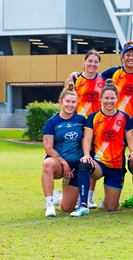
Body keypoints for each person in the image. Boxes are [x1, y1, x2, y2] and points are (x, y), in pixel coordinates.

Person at [78, 79, 133, 213]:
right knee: (84, 165)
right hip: (99, 163)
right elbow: (87, 140)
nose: (109, 101)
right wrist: (86, 155)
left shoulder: (125, 118)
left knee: (111, 207)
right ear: (100, 99)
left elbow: (130, 140)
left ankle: (108, 198)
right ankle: (83, 204)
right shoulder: (93, 117)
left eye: (112, 98)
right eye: (106, 98)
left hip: (116, 165)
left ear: (117, 99)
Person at [41, 83, 86, 217]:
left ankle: (58, 198)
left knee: (67, 208)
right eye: (67, 101)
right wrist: (63, 161)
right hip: (59, 163)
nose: (70, 105)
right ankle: (49, 204)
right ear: (61, 102)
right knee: (47, 164)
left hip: (76, 165)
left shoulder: (81, 120)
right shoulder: (52, 122)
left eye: (73, 102)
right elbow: (48, 148)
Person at [72, 49, 106, 209]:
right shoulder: (75, 79)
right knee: (77, 158)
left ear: (99, 64)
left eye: (96, 62)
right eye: (90, 61)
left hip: (97, 126)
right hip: (79, 125)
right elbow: (68, 100)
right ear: (84, 62)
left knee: (92, 158)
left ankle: (89, 196)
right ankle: (72, 193)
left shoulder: (103, 81)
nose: (92, 64)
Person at [100, 41, 133, 117]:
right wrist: (78, 75)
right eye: (128, 55)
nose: (131, 58)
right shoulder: (114, 72)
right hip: (117, 117)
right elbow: (95, 79)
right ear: (122, 57)